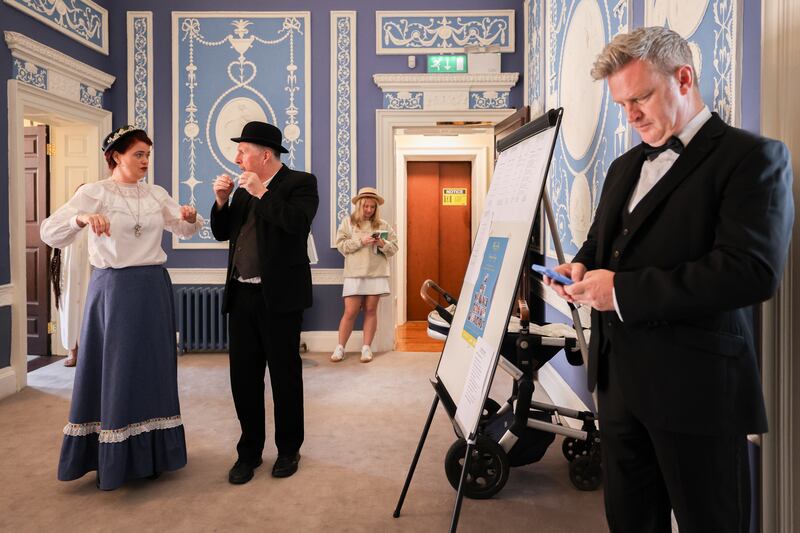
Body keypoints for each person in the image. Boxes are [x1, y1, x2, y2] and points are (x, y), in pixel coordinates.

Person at [545, 27, 794, 532]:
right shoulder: (622, 166)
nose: (631, 115)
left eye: (640, 97)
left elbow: (751, 272)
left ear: (684, 78)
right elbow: (598, 249)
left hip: (698, 393)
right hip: (617, 388)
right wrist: (575, 268)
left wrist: (620, 291)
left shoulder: (753, 158)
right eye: (622, 103)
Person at [40, 125, 203, 490]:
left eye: (148, 154)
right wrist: (81, 219)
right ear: (116, 156)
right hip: (114, 290)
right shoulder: (95, 193)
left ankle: (154, 454)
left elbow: (184, 229)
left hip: (152, 288)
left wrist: (190, 218)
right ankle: (110, 456)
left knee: (154, 368)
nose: (146, 161)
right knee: (118, 368)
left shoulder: (155, 194)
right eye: (138, 154)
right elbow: (49, 232)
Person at [210, 121, 318, 484]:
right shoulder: (242, 188)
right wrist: (222, 202)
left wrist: (262, 194)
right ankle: (249, 452)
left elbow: (297, 225)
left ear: (265, 155)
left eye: (243, 151)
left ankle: (289, 450)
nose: (238, 158)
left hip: (280, 300)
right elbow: (224, 233)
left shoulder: (301, 183)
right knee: (244, 378)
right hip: (241, 297)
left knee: (285, 377)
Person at [331, 187, 398, 363]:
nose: (369, 210)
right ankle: (340, 348)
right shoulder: (348, 223)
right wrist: (361, 241)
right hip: (354, 272)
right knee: (350, 311)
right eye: (366, 206)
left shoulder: (383, 225)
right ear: (359, 206)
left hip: (376, 273)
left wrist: (382, 243)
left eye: (372, 207)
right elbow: (341, 245)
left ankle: (366, 348)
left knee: (370, 310)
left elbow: (394, 248)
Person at [49, 186, 89, 367]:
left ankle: (88, 352)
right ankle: (72, 351)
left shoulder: (97, 218)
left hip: (90, 270)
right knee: (69, 310)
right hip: (69, 271)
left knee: (88, 311)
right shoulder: (66, 218)